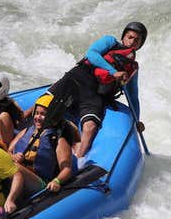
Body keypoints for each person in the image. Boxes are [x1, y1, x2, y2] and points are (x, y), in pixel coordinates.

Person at [48, 21, 147, 158]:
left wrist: (137, 121)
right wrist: (113, 72)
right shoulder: (110, 41)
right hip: (80, 77)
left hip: (95, 93)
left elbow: (133, 96)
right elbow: (92, 54)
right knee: (44, 105)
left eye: (137, 40)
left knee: (91, 127)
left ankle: (79, 158)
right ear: (124, 36)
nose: (132, 41)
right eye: (130, 37)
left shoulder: (132, 68)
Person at [8, 93, 77, 193]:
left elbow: (66, 169)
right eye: (36, 113)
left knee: (14, 167)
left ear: (53, 116)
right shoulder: (27, 131)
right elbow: (8, 151)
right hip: (18, 174)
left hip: (40, 182)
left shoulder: (58, 139)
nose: (38, 117)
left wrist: (57, 181)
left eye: (43, 114)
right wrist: (13, 156)